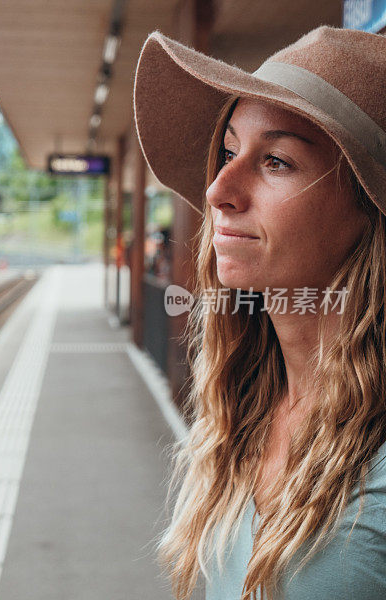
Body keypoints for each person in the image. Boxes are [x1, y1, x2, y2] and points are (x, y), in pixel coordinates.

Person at [133, 26, 386, 600]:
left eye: (275, 160)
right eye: (227, 153)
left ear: (370, 208)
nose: (220, 188)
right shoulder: (242, 406)